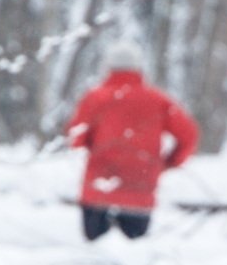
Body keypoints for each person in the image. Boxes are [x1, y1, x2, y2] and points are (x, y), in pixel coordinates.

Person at [66, 41, 199, 240]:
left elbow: (75, 138)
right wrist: (168, 163)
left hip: (98, 191)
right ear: (138, 67)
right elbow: (189, 135)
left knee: (94, 259)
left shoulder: (94, 97)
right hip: (140, 191)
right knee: (132, 262)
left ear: (108, 66)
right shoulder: (158, 99)